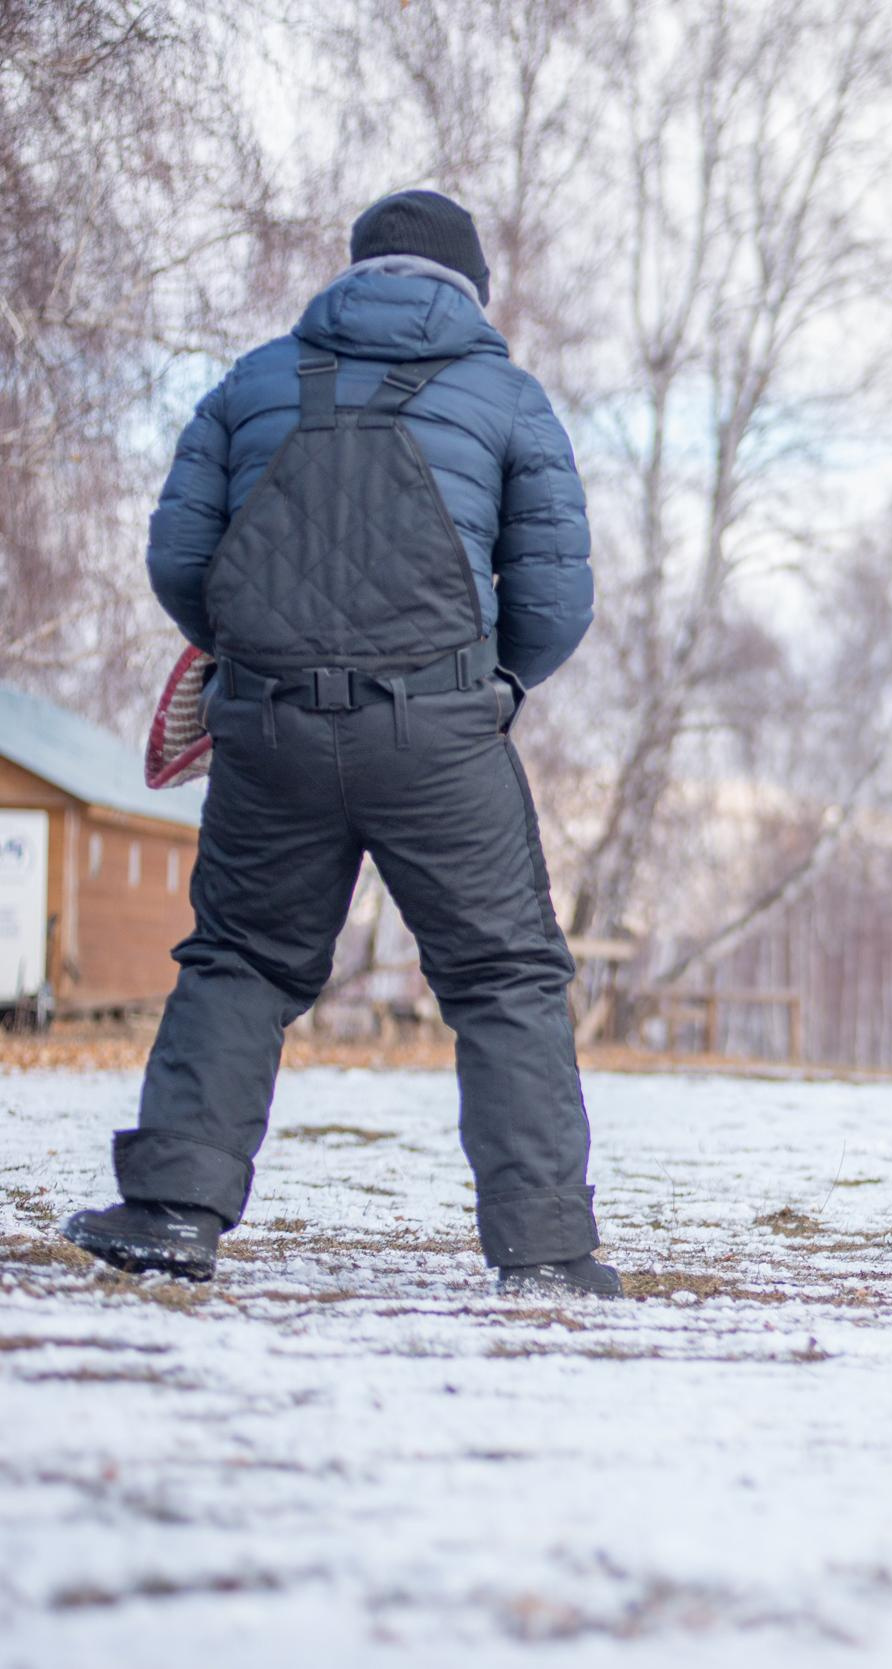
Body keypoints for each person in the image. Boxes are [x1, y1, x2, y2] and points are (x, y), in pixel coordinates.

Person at [62, 190, 617, 1296]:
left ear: (355, 273)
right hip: (440, 737)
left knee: (241, 960)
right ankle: (547, 1251)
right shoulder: (506, 397)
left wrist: (253, 658)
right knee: (504, 977)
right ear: (470, 291)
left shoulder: (255, 381)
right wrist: (488, 685)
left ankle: (172, 1212)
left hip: (269, 728)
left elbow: (181, 559)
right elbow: (554, 600)